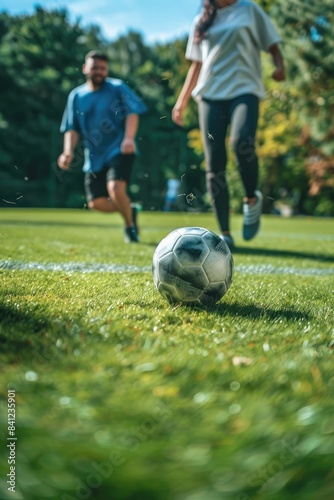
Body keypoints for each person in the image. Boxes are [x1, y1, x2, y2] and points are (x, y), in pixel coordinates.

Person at [172, 0, 286, 249]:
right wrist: (181, 101)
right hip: (210, 95)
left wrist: (279, 65)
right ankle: (225, 232)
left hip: (245, 89)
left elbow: (272, 42)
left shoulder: (249, 9)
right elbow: (196, 64)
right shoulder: (201, 20)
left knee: (242, 141)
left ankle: (250, 199)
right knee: (215, 164)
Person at [58, 50, 147, 243]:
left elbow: (132, 113)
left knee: (115, 189)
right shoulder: (76, 96)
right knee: (95, 203)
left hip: (120, 148)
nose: (99, 72)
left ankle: (130, 228)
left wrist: (129, 138)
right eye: (94, 68)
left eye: (102, 68)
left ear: (106, 70)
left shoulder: (117, 87)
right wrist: (67, 152)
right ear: (85, 69)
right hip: (94, 156)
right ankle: (129, 209)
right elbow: (71, 128)